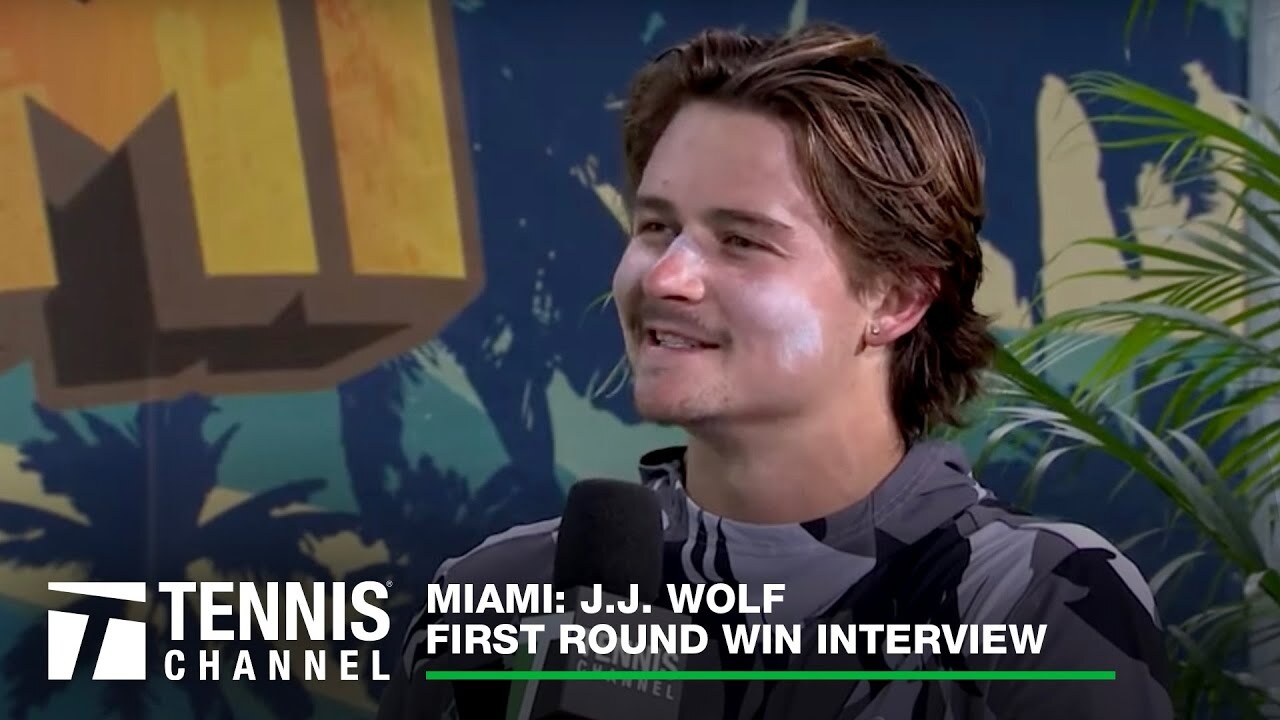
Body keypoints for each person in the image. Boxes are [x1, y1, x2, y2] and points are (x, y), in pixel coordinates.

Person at [378, 22, 1172, 719]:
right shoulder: (493, 601)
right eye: (654, 227)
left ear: (896, 299)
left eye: (741, 240)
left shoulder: (1033, 604)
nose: (666, 276)